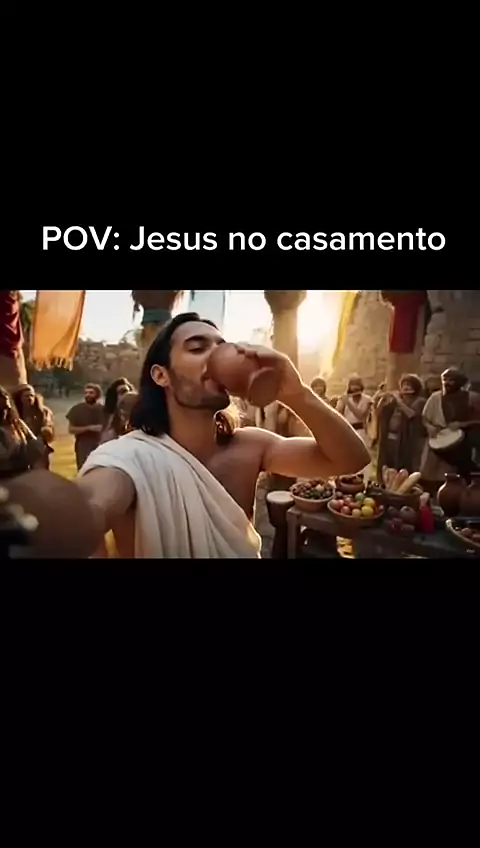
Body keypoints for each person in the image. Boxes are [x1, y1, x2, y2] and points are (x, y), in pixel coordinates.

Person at [72, 313, 369, 559]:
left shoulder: (251, 446)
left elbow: (350, 459)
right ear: (161, 375)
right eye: (197, 348)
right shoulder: (130, 459)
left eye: (222, 347)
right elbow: (84, 512)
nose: (216, 356)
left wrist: (297, 393)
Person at [421, 367, 480, 484]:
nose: (446, 383)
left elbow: (478, 420)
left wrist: (461, 424)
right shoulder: (435, 398)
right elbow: (424, 418)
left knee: (462, 472)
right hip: (438, 438)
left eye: (451, 380)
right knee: (431, 476)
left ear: (459, 382)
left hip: (464, 441)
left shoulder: (472, 398)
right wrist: (429, 427)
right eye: (444, 380)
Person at [375, 374, 426, 481]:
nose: (405, 387)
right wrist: (382, 399)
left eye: (409, 385)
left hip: (405, 441)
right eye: (404, 385)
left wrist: (398, 399)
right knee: (386, 466)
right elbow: (378, 413)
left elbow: (411, 414)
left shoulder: (419, 401)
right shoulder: (393, 401)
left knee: (401, 467)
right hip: (389, 439)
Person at [0, 386, 46, 479]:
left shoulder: (18, 424)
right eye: (2, 409)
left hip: (22, 473)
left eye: (7, 408)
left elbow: (35, 444)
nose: (5, 412)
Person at [336, 377, 373, 481]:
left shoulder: (367, 400)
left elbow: (361, 416)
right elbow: (338, 415)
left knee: (361, 458)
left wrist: (348, 402)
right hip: (347, 431)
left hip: (361, 431)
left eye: (357, 385)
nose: (355, 387)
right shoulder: (344, 398)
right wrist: (342, 403)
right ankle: (345, 481)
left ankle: (363, 482)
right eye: (353, 385)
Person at [12, 384, 55, 469]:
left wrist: (45, 432)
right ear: (19, 398)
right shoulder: (13, 413)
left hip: (39, 448)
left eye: (31, 395)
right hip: (19, 449)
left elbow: (48, 427)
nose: (29, 398)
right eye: (26, 396)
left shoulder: (43, 412)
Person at [66, 383, 104, 471]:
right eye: (86, 393)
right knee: (83, 469)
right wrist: (89, 428)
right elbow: (71, 429)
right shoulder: (77, 409)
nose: (88, 395)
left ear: (97, 394)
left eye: (91, 393)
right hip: (83, 444)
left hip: (101, 443)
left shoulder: (104, 410)